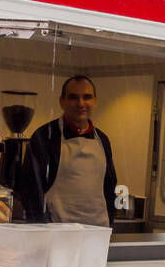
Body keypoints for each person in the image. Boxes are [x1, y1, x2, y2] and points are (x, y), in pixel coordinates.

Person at [23, 75, 118, 227]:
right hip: (57, 233)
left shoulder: (103, 140)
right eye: (73, 97)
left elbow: (109, 187)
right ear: (62, 101)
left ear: (95, 101)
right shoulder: (45, 137)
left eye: (87, 97)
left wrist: (110, 225)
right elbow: (31, 191)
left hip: (97, 231)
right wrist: (40, 230)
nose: (81, 104)